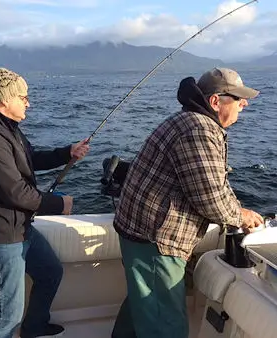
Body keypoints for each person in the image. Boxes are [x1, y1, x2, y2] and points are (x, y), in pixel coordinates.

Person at [111, 67, 264, 338]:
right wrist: (241, 216)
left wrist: (238, 209)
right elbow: (210, 198)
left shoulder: (191, 122)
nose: (245, 104)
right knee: (165, 326)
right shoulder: (199, 130)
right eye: (238, 98)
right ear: (216, 101)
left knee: (144, 304)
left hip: (142, 232)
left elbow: (214, 184)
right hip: (156, 239)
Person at [0, 67, 89, 338]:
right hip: (0, 238)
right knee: (6, 315)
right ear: (4, 100)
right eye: (23, 97)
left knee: (50, 272)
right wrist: (59, 205)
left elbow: (30, 158)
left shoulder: (8, 128)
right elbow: (15, 192)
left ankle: (33, 328)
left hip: (21, 229)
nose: (28, 102)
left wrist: (67, 152)